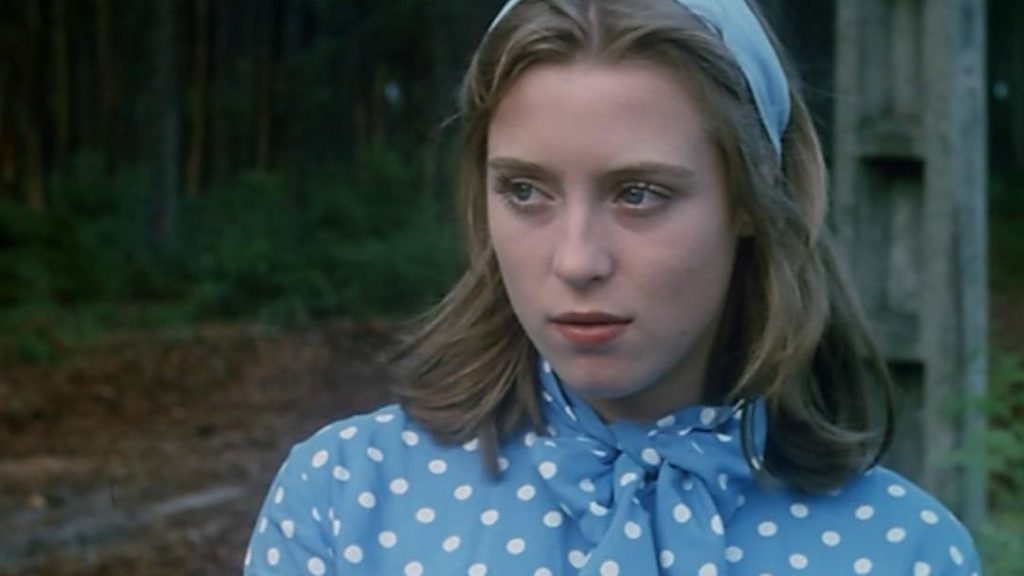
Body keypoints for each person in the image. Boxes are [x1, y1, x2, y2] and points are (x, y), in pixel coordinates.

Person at [244, 0, 982, 574]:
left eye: (638, 194)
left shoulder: (903, 551)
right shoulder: (350, 496)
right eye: (526, 191)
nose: (577, 260)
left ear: (753, 200)